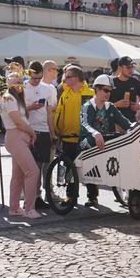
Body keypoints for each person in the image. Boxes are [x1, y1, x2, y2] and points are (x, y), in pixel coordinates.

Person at [0, 70, 41, 219]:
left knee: (18, 175)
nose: (18, 84)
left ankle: (15, 208)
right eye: (14, 81)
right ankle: (29, 209)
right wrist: (32, 132)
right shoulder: (9, 98)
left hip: (19, 137)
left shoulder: (15, 98)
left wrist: (29, 133)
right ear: (8, 83)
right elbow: (17, 121)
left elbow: (21, 119)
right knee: (32, 171)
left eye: (20, 81)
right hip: (15, 137)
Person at [54, 65, 95, 204]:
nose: (64, 78)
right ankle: (71, 196)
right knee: (69, 168)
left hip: (85, 138)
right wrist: (57, 130)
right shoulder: (66, 93)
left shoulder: (90, 93)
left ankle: (92, 196)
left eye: (68, 76)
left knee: (89, 166)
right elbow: (59, 113)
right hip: (68, 137)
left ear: (76, 78)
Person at [25, 61, 57, 210]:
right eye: (33, 79)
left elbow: (49, 113)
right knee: (29, 168)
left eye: (38, 78)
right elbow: (16, 111)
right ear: (28, 75)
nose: (36, 81)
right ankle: (28, 198)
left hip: (43, 131)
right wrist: (31, 107)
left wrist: (53, 133)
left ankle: (36, 197)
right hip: (28, 130)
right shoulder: (23, 88)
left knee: (39, 167)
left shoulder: (48, 89)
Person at [80, 75, 132, 149]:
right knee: (88, 142)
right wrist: (95, 133)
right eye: (106, 90)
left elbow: (125, 123)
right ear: (97, 89)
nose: (109, 94)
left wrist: (135, 127)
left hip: (107, 143)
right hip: (89, 143)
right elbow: (84, 124)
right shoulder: (86, 106)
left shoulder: (110, 106)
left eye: (110, 91)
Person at [110, 56, 140, 123]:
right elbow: (102, 104)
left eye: (132, 67)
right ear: (120, 68)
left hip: (131, 122)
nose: (131, 70)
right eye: (128, 67)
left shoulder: (136, 83)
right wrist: (116, 104)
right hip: (113, 122)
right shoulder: (111, 83)